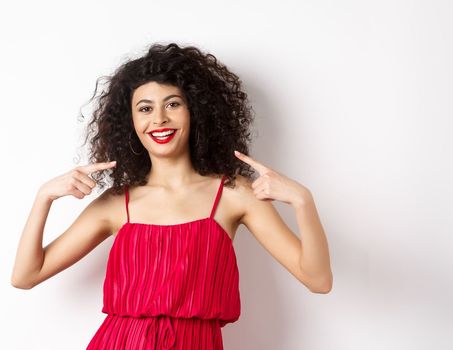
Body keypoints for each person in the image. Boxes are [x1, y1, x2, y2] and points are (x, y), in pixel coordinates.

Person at [10, 42, 333, 349]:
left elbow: (318, 280)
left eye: (173, 104)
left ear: (196, 112)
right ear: (131, 122)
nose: (159, 119)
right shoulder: (115, 203)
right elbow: (25, 276)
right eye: (145, 108)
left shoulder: (235, 194)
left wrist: (304, 201)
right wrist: (44, 198)